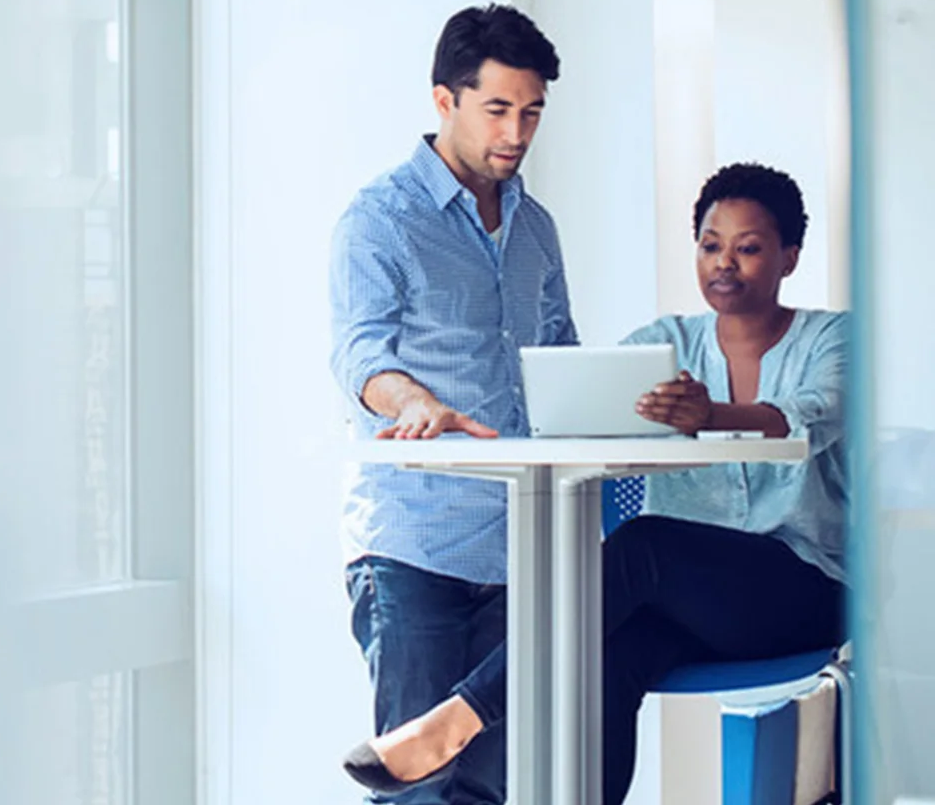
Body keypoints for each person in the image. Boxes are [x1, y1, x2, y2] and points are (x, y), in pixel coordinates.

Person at [342, 162, 849, 805]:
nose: (725, 263)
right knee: (605, 657)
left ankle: (460, 717)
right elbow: (585, 404)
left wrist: (712, 416)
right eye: (711, 245)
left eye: (748, 248)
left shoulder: (835, 338)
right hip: (693, 612)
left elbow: (816, 410)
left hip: (804, 592)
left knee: (644, 545)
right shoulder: (665, 345)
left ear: (790, 256)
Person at [329, 3, 576, 805]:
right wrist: (414, 400)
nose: (517, 132)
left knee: (498, 789)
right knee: (417, 790)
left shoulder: (536, 229)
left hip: (523, 549)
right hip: (417, 549)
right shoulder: (381, 220)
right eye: (497, 109)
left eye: (531, 112)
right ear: (445, 100)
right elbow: (361, 353)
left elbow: (560, 359)